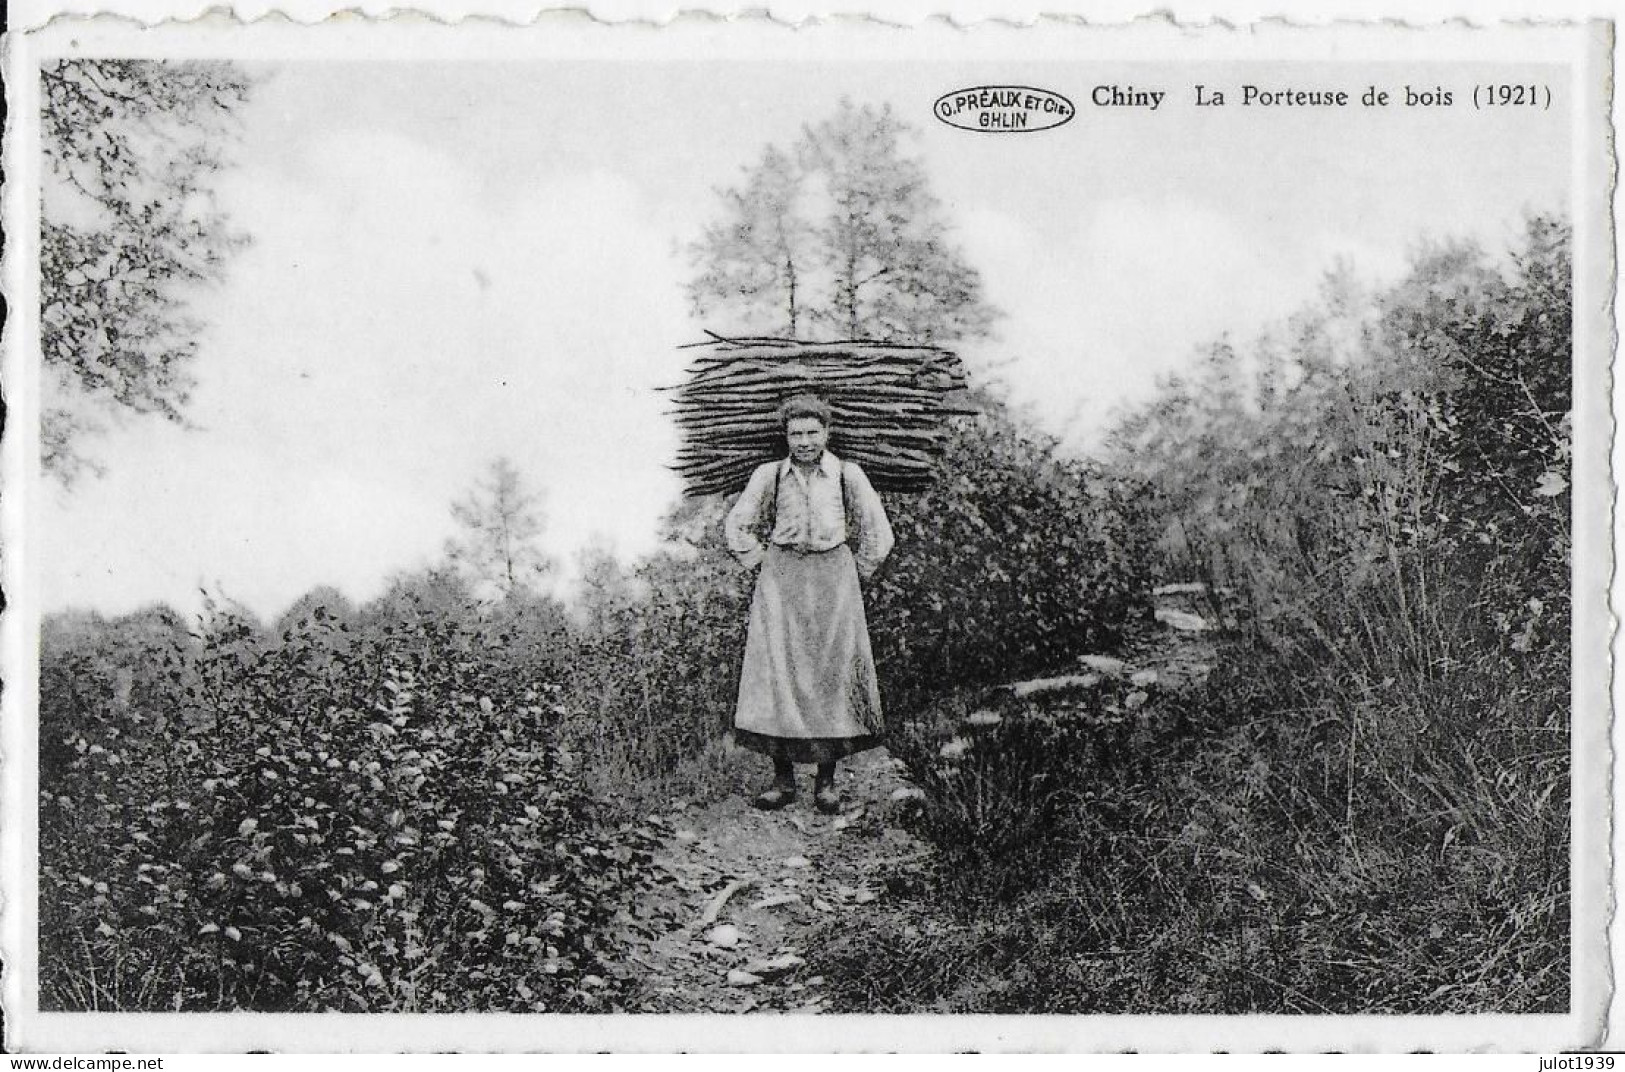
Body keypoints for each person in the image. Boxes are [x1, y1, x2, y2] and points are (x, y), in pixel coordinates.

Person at [724, 393, 895, 814]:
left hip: (833, 579)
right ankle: (782, 781)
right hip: (782, 578)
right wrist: (761, 562)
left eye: (811, 432)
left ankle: (826, 782)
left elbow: (878, 530)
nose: (803, 441)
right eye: (795, 433)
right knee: (778, 672)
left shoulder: (845, 475)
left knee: (829, 674)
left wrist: (855, 571)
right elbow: (738, 524)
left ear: (827, 432)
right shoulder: (770, 475)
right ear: (785, 436)